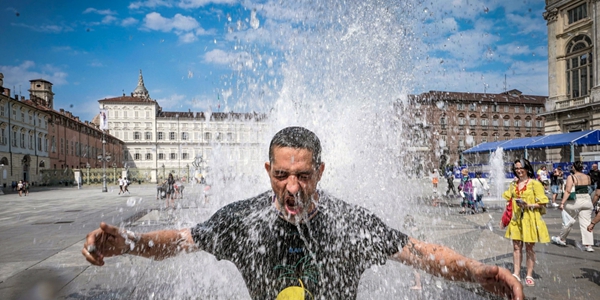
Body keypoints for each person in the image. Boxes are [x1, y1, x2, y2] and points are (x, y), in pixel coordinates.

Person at [82, 126, 523, 299]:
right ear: (268, 170)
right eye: (281, 175)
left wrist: (476, 272)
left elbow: (419, 252)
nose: (292, 188)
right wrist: (130, 243)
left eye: (304, 175)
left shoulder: (350, 224)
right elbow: (181, 240)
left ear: (320, 171)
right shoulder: (244, 222)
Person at [502, 158, 549, 287]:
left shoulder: (534, 184)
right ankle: (516, 273)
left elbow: (543, 202)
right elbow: (508, 202)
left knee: (529, 248)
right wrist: (505, 218)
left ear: (527, 168)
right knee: (516, 247)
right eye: (516, 168)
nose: (518, 171)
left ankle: (529, 274)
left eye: (520, 168)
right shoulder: (513, 185)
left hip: (530, 219)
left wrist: (528, 205)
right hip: (517, 220)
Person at [551, 161, 595, 252]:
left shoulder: (571, 177)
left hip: (576, 201)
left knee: (568, 220)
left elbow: (568, 191)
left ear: (574, 168)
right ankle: (588, 245)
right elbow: (589, 188)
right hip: (587, 199)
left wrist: (562, 203)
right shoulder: (588, 177)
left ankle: (562, 238)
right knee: (586, 223)